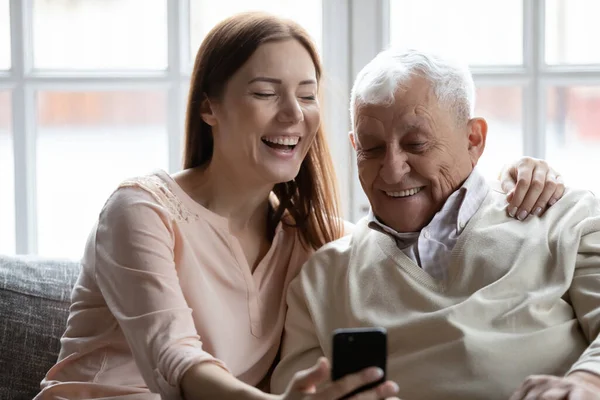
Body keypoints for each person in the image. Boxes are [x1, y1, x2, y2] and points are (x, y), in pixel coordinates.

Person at [36, 13, 565, 400]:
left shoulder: (314, 239)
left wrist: (514, 174)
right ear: (209, 107)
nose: (293, 114)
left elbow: (424, 223)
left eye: (307, 95)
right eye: (266, 92)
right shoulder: (141, 211)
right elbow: (174, 361)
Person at [270, 48, 600, 400]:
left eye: (416, 144)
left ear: (474, 139)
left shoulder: (563, 217)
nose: (392, 170)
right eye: (372, 148)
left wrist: (587, 382)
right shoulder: (323, 276)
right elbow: (297, 390)